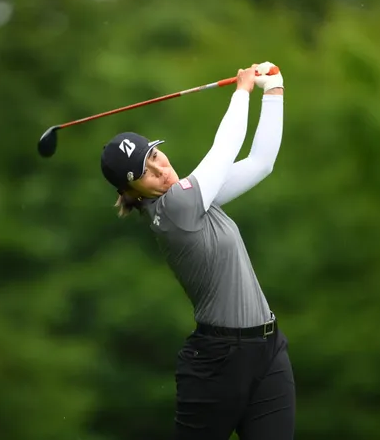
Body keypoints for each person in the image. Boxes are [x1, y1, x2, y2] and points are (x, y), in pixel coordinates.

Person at [99, 62, 294, 440]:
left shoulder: (193, 199)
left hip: (268, 350)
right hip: (217, 362)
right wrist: (242, 91)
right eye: (145, 172)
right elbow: (225, 149)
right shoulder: (175, 209)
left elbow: (261, 163)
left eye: (154, 155)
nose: (160, 169)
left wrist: (274, 92)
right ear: (130, 192)